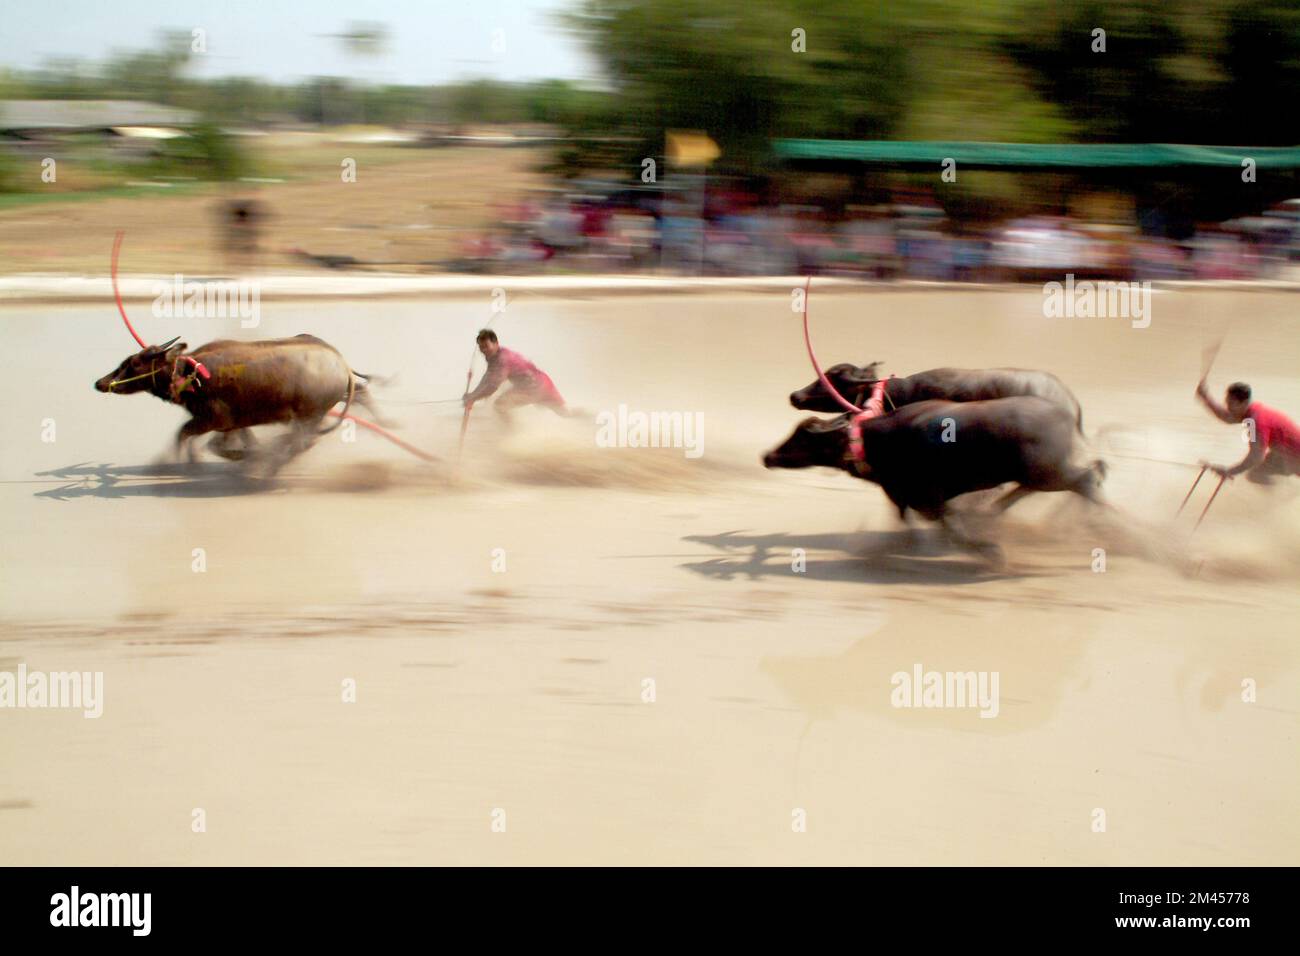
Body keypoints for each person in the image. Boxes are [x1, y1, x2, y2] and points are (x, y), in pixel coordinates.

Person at [1195, 379, 1300, 482]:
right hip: (1285, 453)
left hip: (1294, 456)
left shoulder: (1256, 422)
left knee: (1256, 475)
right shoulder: (1252, 412)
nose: (1228, 408)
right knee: (1256, 474)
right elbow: (1227, 417)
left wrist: (1230, 471)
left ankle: (1282, 495)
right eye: (1227, 403)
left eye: (1232, 404)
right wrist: (1206, 398)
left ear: (1244, 402)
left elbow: (1256, 457)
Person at [463, 329, 568, 423]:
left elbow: (492, 386)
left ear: (496, 343)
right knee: (565, 414)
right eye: (481, 347)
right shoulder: (494, 355)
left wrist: (473, 398)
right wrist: (473, 395)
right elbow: (487, 377)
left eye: (486, 346)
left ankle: (511, 435)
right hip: (543, 381)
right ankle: (583, 418)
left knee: (499, 405)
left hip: (533, 388)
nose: (483, 350)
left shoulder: (502, 359)